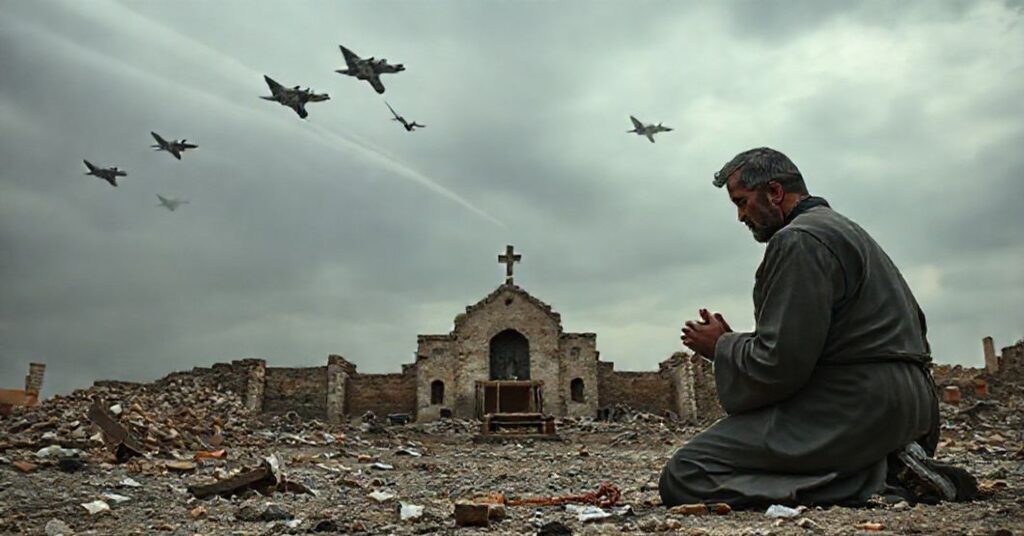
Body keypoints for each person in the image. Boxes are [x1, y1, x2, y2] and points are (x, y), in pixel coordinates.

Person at [659, 147, 976, 508]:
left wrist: (721, 348)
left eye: (742, 201)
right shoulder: (845, 229)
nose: (740, 215)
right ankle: (889, 464)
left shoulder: (798, 240)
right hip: (911, 408)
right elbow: (826, 341)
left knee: (688, 473)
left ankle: (881, 482)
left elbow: (781, 364)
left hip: (856, 404)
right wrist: (736, 342)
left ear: (775, 192)